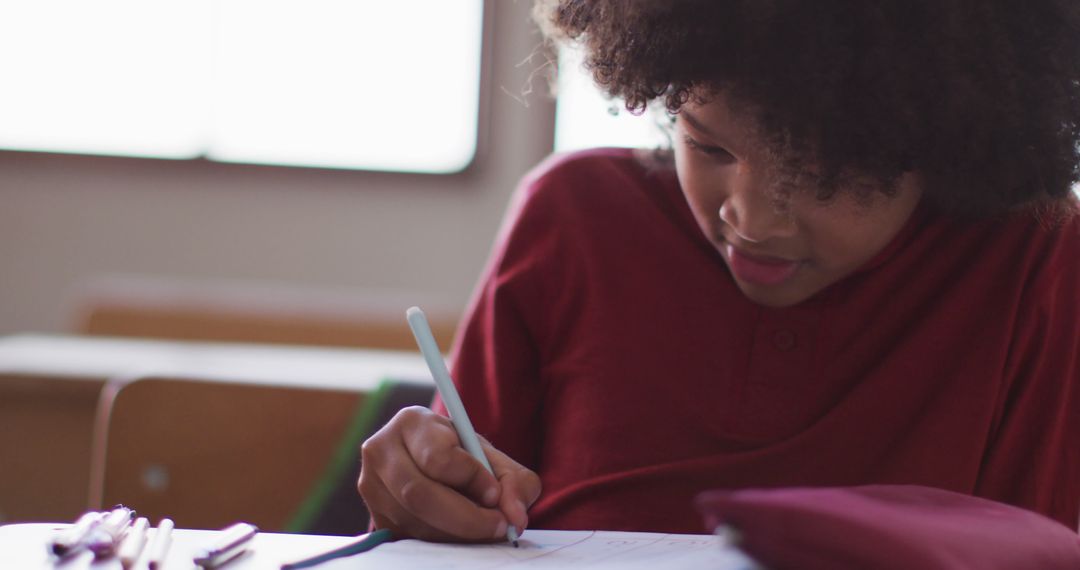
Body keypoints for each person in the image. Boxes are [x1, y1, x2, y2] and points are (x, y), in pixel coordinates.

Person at [358, 0, 1080, 542]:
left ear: (950, 143)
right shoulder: (572, 221)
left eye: (824, 175)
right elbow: (461, 506)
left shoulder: (1030, 260)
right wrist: (420, 486)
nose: (752, 219)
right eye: (709, 149)